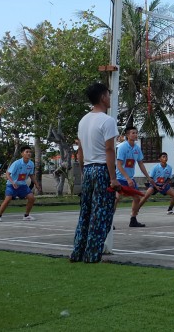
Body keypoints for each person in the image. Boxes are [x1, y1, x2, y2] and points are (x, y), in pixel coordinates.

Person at [70, 82, 120, 263]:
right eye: (108, 94)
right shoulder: (108, 121)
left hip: (89, 169)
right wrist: (113, 178)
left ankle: (77, 252)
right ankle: (92, 255)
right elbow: (109, 151)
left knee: (85, 212)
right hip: (101, 170)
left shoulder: (83, 120)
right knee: (101, 214)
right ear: (102, 97)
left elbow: (81, 151)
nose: (109, 97)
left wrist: (83, 170)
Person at [115, 125, 151, 227]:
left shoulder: (137, 148)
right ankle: (108, 221)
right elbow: (119, 165)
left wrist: (148, 177)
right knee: (116, 198)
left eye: (136, 133)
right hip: (120, 178)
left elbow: (140, 163)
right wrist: (126, 178)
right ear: (127, 135)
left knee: (136, 198)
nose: (135, 135)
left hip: (130, 178)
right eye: (133, 133)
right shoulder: (122, 147)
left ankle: (133, 219)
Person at [0, 145, 40, 222]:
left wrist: (37, 184)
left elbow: (31, 175)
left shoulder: (31, 164)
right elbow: (7, 174)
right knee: (8, 199)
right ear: (22, 154)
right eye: (27, 152)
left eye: (30, 152)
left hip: (22, 185)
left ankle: (26, 216)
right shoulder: (17, 163)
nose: (29, 153)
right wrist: (13, 183)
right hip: (11, 184)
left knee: (32, 198)